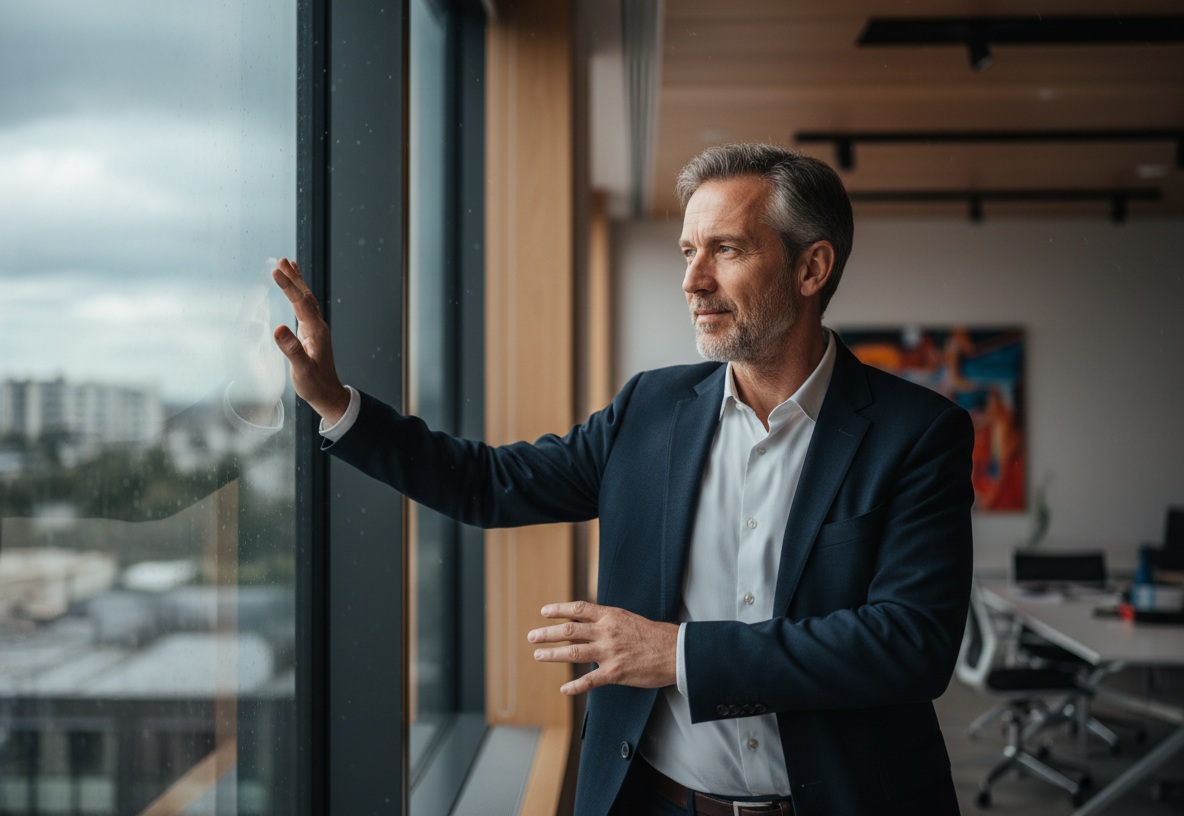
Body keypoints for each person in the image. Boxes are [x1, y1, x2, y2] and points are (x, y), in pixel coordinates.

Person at [271, 143, 974, 816]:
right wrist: (338, 404)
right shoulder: (651, 409)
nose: (693, 280)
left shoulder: (917, 433)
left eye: (725, 249)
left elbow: (910, 645)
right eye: (688, 252)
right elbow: (487, 484)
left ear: (811, 267)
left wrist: (680, 654)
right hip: (657, 803)